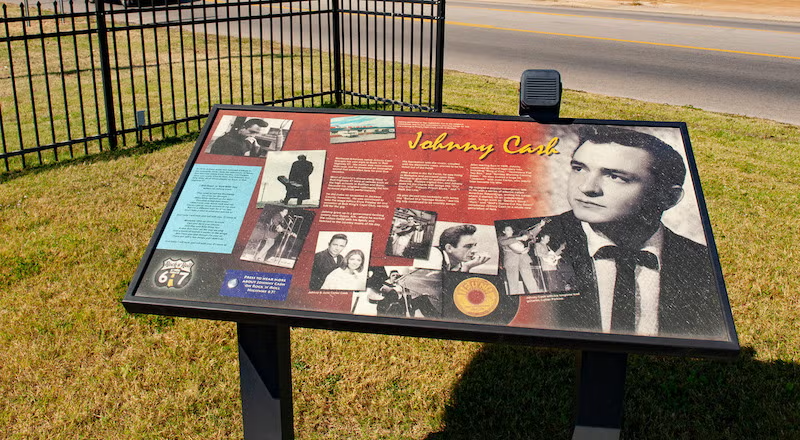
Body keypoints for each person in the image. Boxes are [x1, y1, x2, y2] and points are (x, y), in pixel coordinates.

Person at [540, 125, 725, 338]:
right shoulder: (533, 240)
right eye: (579, 168)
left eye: (616, 177)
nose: (587, 188)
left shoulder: (703, 263)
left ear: (669, 198)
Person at [498, 224, 540, 294]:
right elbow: (504, 242)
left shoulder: (516, 236)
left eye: (511, 229)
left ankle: (535, 294)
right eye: (508, 230)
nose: (510, 231)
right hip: (511, 262)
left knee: (530, 279)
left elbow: (531, 234)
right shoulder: (501, 238)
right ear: (504, 231)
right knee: (513, 282)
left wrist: (539, 227)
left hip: (523, 259)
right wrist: (520, 238)